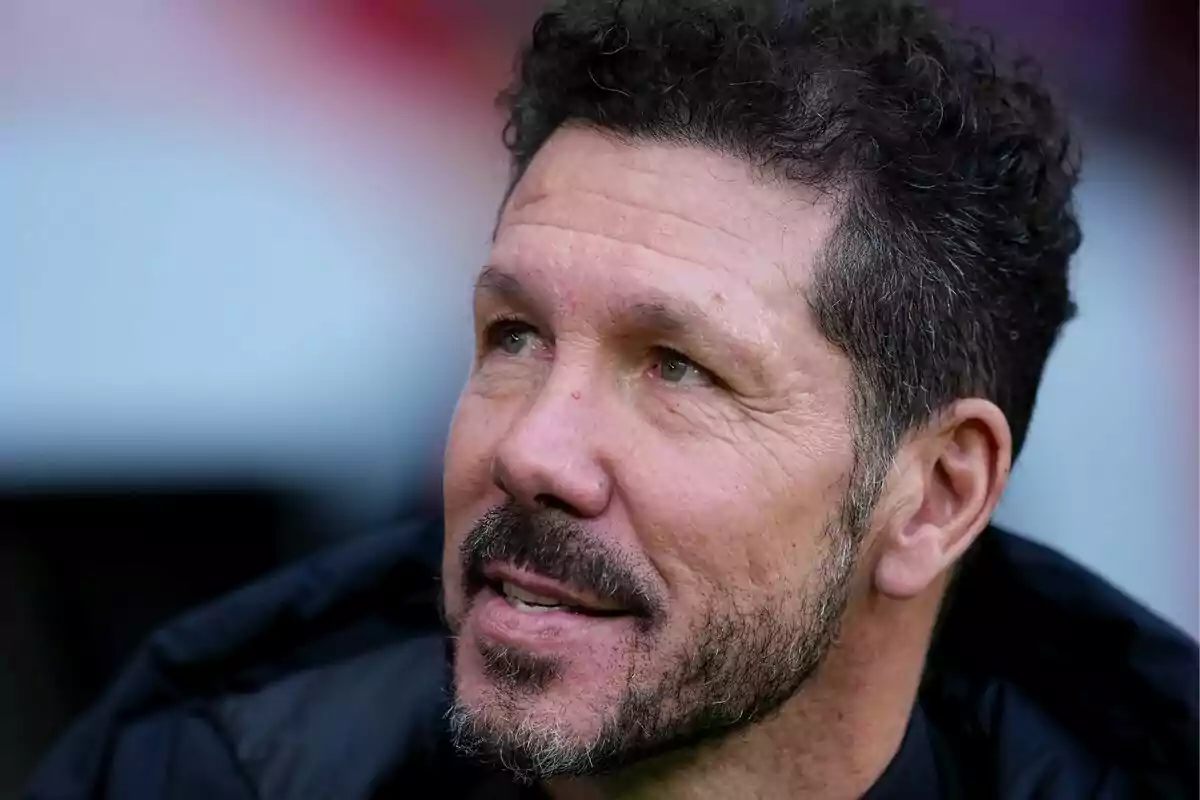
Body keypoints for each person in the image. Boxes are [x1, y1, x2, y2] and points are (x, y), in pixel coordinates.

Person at [27, 1, 1197, 798]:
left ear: (936, 496)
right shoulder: (217, 767)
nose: (532, 449)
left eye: (676, 367)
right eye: (514, 336)